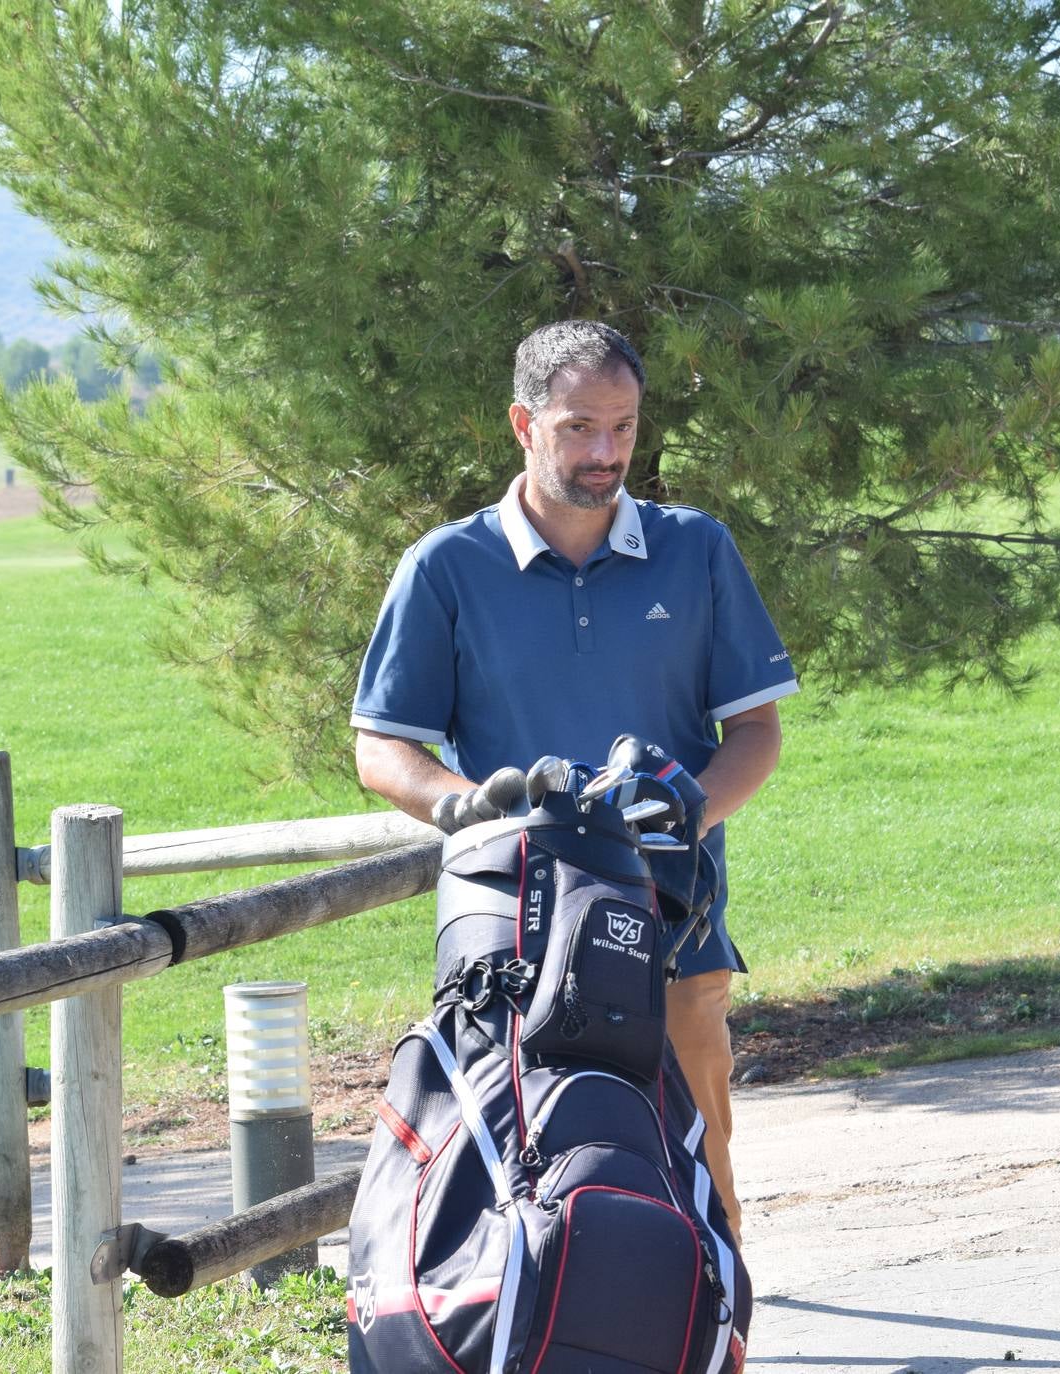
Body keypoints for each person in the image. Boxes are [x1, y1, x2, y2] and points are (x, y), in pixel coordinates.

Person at [350, 320, 796, 1243]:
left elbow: (755, 731)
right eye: (579, 428)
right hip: (515, 937)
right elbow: (381, 746)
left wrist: (691, 809)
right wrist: (461, 808)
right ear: (523, 423)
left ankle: (708, 1322)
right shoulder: (445, 567)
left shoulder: (697, 549)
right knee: (527, 1167)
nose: (606, 453)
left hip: (675, 919)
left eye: (624, 428)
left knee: (701, 1168)